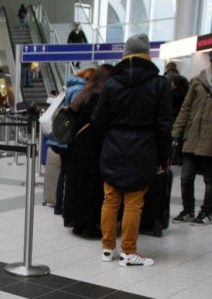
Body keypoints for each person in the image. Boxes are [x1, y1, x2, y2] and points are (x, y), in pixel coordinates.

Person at [92, 34, 173, 267]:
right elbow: (164, 125)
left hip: (113, 147)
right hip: (143, 148)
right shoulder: (159, 84)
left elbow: (98, 121)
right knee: (134, 202)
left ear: (125, 53)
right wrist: (164, 156)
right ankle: (128, 251)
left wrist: (109, 140)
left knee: (110, 200)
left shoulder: (111, 83)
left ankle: (108, 248)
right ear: (147, 53)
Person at [171, 43, 212, 225]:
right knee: (186, 176)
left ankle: (207, 212)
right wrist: (177, 131)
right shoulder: (198, 80)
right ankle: (188, 210)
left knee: (210, 179)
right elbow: (186, 108)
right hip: (193, 135)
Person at [63, 64, 113, 238]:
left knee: (77, 184)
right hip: (92, 146)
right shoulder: (99, 97)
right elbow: (98, 123)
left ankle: (77, 222)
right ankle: (89, 224)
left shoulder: (83, 94)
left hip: (77, 144)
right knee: (91, 186)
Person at [48, 67, 95, 216]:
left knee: (64, 171)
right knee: (66, 172)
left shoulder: (71, 87)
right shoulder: (79, 90)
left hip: (62, 136)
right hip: (68, 137)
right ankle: (61, 205)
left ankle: (59, 205)